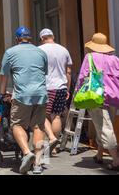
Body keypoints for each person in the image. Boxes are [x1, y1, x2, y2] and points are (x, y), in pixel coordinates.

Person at [0, 27, 48, 175]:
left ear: (16, 39)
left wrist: (2, 93)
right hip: (41, 94)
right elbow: (44, 72)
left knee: (17, 124)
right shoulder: (41, 52)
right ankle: (38, 164)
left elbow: (3, 75)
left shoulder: (10, 52)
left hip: (22, 96)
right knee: (39, 127)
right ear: (30, 38)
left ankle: (27, 153)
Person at [76, 33, 119, 171]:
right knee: (105, 125)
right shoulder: (115, 59)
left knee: (105, 128)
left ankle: (116, 160)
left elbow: (83, 76)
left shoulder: (90, 57)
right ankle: (99, 155)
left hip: (96, 96)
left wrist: (77, 91)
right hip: (113, 97)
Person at [38, 29, 72, 154]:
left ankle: (51, 139)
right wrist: (67, 88)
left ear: (42, 38)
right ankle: (55, 147)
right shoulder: (64, 50)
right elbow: (68, 71)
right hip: (61, 86)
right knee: (56, 115)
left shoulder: (39, 50)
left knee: (42, 115)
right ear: (53, 36)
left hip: (46, 87)